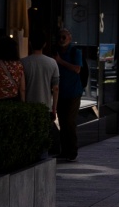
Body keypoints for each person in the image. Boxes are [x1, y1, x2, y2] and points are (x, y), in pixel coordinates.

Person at [52, 27, 86, 161]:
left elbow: (77, 69)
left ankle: (72, 151)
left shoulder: (75, 52)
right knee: (62, 122)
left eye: (64, 37)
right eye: (59, 37)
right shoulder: (55, 52)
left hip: (73, 92)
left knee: (70, 122)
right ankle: (64, 150)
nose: (61, 40)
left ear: (70, 38)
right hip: (60, 92)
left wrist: (60, 62)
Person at [21, 39, 58, 123]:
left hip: (28, 105)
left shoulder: (23, 62)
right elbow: (56, 88)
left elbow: (22, 88)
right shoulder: (52, 62)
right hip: (46, 106)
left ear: (30, 43)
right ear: (44, 44)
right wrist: (54, 108)